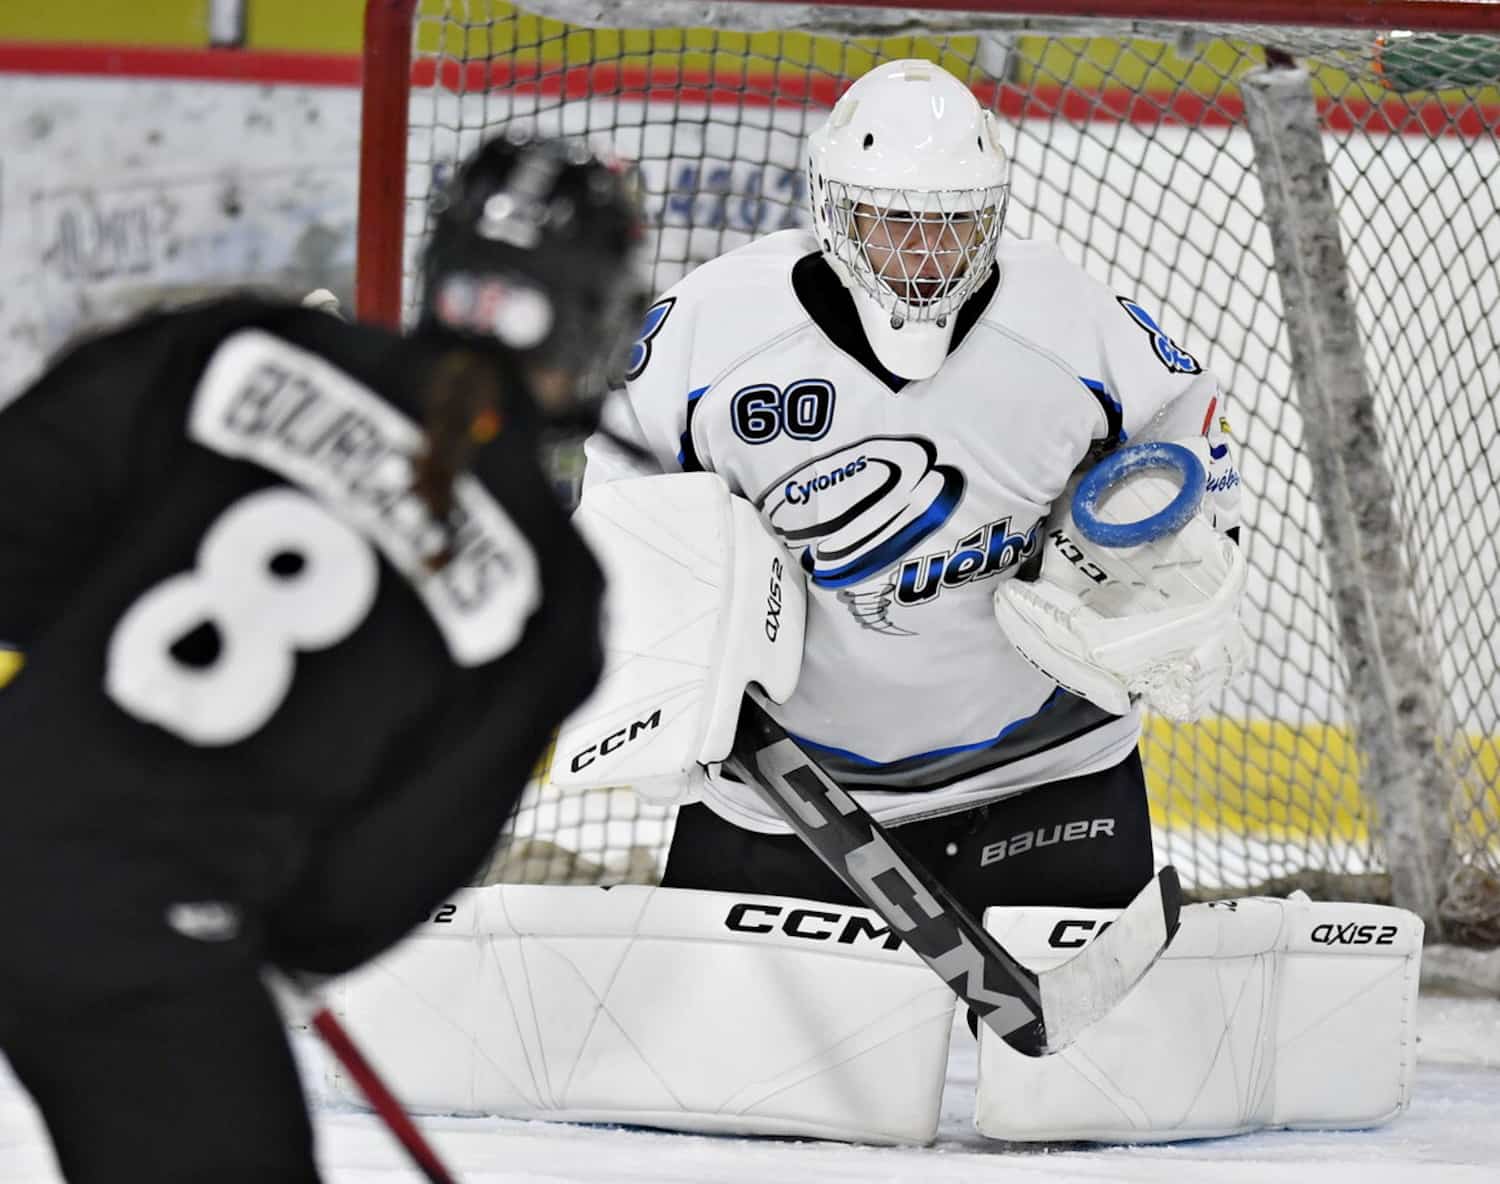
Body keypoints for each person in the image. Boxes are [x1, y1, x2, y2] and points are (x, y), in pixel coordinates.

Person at [0, 133, 645, 1182]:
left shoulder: (244, 344)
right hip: (152, 936)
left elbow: (18, 527)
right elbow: (372, 884)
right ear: (594, 318)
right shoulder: (549, 588)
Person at [584, 59, 1243, 919]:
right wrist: (650, 677)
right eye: (894, 222)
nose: (927, 253)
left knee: (1113, 1054)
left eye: (957, 226)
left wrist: (1181, 563)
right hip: (787, 799)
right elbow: (619, 517)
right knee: (745, 1056)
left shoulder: (1073, 319)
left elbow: (1191, 446)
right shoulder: (706, 330)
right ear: (832, 208)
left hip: (1053, 774)